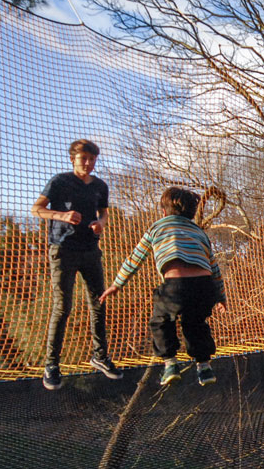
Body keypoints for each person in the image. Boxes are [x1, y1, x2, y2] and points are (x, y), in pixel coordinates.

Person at [99, 186, 227, 387]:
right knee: (196, 324)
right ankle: (204, 367)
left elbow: (135, 259)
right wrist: (221, 297)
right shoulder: (199, 233)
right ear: (191, 213)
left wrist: (117, 284)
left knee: (160, 322)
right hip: (204, 288)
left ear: (164, 211)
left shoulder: (158, 227)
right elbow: (215, 268)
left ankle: (170, 364)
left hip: (176, 287)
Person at [32, 139, 122, 390]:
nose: (89, 163)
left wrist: (101, 223)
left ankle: (100, 356)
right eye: (84, 158)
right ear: (73, 158)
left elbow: (103, 212)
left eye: (93, 159)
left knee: (99, 302)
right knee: (63, 307)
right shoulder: (60, 181)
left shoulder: (100, 186)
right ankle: (51, 364)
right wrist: (61, 215)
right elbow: (36, 209)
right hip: (63, 250)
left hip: (90, 250)